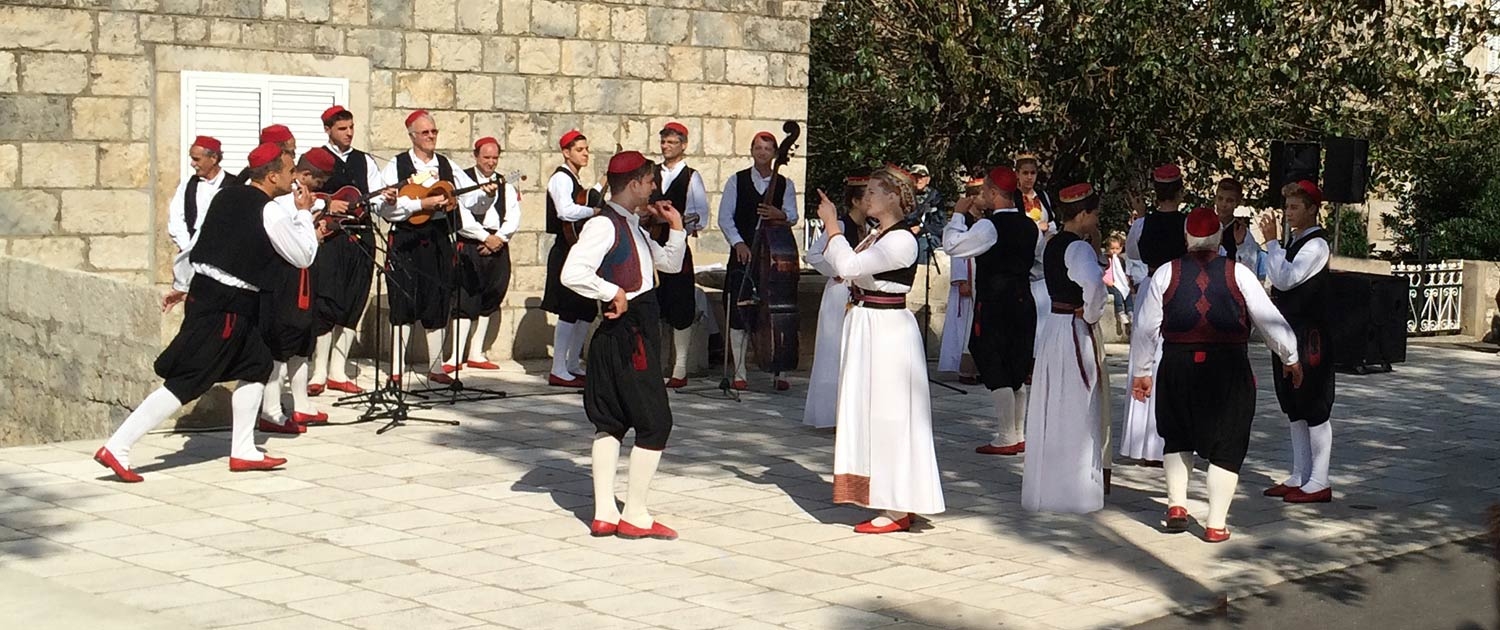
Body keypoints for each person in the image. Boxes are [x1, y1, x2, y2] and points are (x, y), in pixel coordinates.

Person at [94, 143, 319, 481]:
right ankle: (118, 446)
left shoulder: (225, 196)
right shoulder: (269, 210)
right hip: (228, 304)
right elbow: (303, 256)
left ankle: (243, 449)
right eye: (289, 172)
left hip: (213, 294)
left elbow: (196, 245)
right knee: (189, 379)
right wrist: (304, 213)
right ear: (272, 175)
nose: (293, 179)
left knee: (257, 363)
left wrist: (182, 285)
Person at [1131, 207, 1302, 543]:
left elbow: (1145, 328)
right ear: (1218, 239)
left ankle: (1177, 505)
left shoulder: (1165, 274)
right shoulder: (1239, 274)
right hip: (1227, 369)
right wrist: (1291, 354)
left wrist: (1141, 371)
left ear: (1186, 238)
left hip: (1177, 365)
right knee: (1228, 443)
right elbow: (1269, 319)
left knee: (1177, 434)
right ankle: (1215, 524)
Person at [561, 151, 687, 540]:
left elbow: (668, 264)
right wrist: (610, 289)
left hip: (631, 331)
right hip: (629, 334)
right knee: (654, 422)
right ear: (634, 184)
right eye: (650, 181)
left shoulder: (632, 225)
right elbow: (572, 272)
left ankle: (603, 514)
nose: (654, 187)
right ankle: (634, 514)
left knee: (612, 421)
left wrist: (676, 227)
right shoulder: (603, 225)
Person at [815, 165, 945, 533]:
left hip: (886, 330)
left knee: (889, 414)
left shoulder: (901, 239)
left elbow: (851, 266)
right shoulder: (879, 235)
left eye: (874, 191)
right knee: (869, 411)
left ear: (893, 196)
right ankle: (888, 495)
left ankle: (897, 503)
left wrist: (833, 227)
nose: (867, 197)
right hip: (867, 324)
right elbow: (841, 269)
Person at [373, 110, 497, 387]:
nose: (431, 137)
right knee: (403, 301)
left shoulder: (446, 165)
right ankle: (396, 367)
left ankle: (436, 365)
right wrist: (420, 205)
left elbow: (472, 202)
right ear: (412, 135)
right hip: (406, 239)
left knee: (439, 298)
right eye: (425, 132)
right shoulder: (396, 165)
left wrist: (487, 195)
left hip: (439, 238)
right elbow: (384, 207)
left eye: (434, 132)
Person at [943, 166, 1043, 456]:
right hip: (1024, 300)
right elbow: (1037, 266)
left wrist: (958, 215)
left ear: (995, 194)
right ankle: (1018, 433)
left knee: (995, 361)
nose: (982, 195)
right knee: (1017, 363)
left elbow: (952, 246)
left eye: (986, 190)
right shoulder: (1030, 227)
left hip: (996, 302)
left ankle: (1005, 436)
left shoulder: (988, 227)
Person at [1022, 183, 1108, 514]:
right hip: (1073, 328)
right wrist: (1089, 314)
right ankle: (1075, 491)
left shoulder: (1052, 242)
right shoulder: (1078, 248)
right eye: (1095, 214)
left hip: (1054, 329)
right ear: (1084, 214)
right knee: (1077, 403)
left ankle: (1049, 488)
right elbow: (1095, 287)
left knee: (1051, 403)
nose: (1096, 220)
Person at [1261, 180, 1337, 504]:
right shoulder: (1296, 242)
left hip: (1309, 336)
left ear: (1312, 209)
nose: (1289, 213)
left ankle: (1319, 478)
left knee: (1313, 402)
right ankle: (1300, 473)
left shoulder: (1316, 245)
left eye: (1295, 207)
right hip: (1288, 330)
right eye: (1287, 206)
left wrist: (1272, 244)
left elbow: (1285, 278)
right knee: (1293, 404)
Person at [258, 148, 341, 434]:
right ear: (306, 175)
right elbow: (287, 239)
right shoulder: (280, 203)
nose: (320, 187)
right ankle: (270, 409)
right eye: (318, 180)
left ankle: (301, 403)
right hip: (286, 278)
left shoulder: (304, 200)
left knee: (303, 339)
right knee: (282, 341)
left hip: (307, 273)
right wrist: (309, 219)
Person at [308, 105, 388, 397]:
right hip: (330, 240)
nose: (349, 133)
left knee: (354, 300)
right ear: (328, 129)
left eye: (351, 127)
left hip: (362, 237)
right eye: (342, 128)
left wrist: (385, 199)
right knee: (327, 300)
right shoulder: (315, 159)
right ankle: (318, 371)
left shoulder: (364, 161)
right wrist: (328, 204)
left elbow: (377, 198)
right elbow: (303, 195)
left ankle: (338, 370)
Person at [717, 131, 799, 391]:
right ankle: (740, 371)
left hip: (773, 256)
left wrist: (779, 214)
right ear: (751, 151)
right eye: (758, 148)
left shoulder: (785, 184)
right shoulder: (736, 181)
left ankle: (780, 368)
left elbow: (794, 216)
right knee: (739, 306)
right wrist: (738, 243)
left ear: (776, 153)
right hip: (745, 253)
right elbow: (725, 218)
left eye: (767, 148)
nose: (762, 152)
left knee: (778, 307)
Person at [1119, 164, 1189, 467]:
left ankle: (1142, 442)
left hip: (1151, 285)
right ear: (1181, 191)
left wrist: (1140, 216)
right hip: (1178, 287)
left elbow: (1133, 253)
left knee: (1146, 357)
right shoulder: (1187, 225)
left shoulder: (1142, 225)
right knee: (1170, 359)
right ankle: (1166, 441)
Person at [442, 136, 522, 374]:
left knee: (491, 295)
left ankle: (477, 352)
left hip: (498, 242)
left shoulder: (505, 183)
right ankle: (456, 355)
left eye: (495, 157)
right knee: (465, 297)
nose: (491, 162)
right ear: (476, 156)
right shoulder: (463, 180)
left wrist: (499, 238)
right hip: (471, 242)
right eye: (486, 157)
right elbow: (460, 214)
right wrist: (482, 237)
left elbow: (514, 215)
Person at [803, 171, 870, 429]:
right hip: (840, 293)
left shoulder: (871, 229)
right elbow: (814, 254)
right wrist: (838, 271)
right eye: (867, 196)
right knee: (834, 351)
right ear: (855, 201)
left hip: (859, 294)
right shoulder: (840, 226)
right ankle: (829, 413)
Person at [542, 129, 602, 387]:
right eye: (579, 150)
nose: (585, 153)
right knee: (568, 309)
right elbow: (565, 211)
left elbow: (582, 198)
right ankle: (558, 368)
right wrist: (594, 210)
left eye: (586, 149)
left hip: (578, 248)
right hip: (566, 248)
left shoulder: (575, 181)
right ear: (566, 153)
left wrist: (600, 187)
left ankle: (572, 363)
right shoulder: (561, 179)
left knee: (585, 309)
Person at [654, 122, 710, 388]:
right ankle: (652, 364)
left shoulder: (691, 176)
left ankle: (680, 367)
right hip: (649, 242)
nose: (666, 147)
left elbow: (701, 215)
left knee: (680, 302)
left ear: (684, 145)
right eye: (664, 142)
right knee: (651, 302)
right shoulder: (651, 172)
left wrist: (678, 222)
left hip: (676, 241)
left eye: (672, 142)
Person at [163, 135, 227, 310]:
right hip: (192, 259)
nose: (192, 163)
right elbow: (176, 218)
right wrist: (189, 246)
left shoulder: (232, 185)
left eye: (196, 159)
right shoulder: (188, 184)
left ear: (213, 158)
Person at [938, 176, 984, 385]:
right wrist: (960, 278)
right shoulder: (962, 222)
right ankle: (966, 369)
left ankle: (979, 366)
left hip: (981, 278)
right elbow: (956, 250)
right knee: (964, 324)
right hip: (968, 277)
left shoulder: (985, 221)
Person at [1214, 178, 1260, 269]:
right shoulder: (1205, 225)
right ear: (1215, 199)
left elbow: (1250, 267)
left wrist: (1240, 245)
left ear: (1237, 203)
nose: (1224, 204)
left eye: (1229, 200)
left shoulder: (1242, 232)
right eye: (1220, 198)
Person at [909, 164, 944, 264]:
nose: (918, 180)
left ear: (928, 179)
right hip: (907, 234)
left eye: (921, 177)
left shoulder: (935, 197)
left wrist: (921, 229)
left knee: (922, 246)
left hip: (928, 235)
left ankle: (920, 276)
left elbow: (941, 226)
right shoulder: (905, 196)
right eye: (915, 177)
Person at [1103, 233, 1132, 332]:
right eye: (1112, 249)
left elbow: (1122, 273)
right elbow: (1101, 273)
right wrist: (1107, 281)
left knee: (1127, 292)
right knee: (1117, 292)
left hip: (1118, 282)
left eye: (1117, 249)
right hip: (1109, 283)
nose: (1114, 251)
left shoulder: (1121, 260)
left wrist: (1126, 280)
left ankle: (1130, 311)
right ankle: (1120, 311)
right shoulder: (1105, 260)